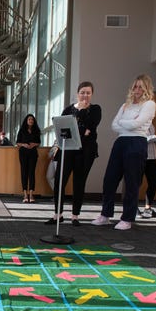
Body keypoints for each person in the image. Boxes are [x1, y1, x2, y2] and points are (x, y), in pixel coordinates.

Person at [91, 74, 156, 230]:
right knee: (110, 179)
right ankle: (105, 215)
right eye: (135, 86)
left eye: (141, 86)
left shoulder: (149, 104)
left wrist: (124, 122)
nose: (137, 89)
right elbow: (114, 125)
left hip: (137, 142)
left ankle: (127, 218)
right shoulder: (125, 105)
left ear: (146, 88)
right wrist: (128, 123)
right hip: (121, 142)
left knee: (132, 181)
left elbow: (138, 124)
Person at [45, 81, 101, 226]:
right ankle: (58, 214)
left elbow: (91, 128)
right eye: (82, 92)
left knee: (79, 183)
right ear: (77, 94)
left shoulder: (95, 109)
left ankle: (75, 216)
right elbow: (63, 129)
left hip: (85, 152)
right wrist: (82, 130)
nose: (85, 95)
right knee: (59, 181)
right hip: (67, 149)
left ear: (92, 94)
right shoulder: (68, 109)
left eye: (88, 93)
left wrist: (81, 114)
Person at [16, 114, 41, 203]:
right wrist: (24, 144)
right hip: (23, 153)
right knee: (24, 172)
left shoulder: (36, 130)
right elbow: (18, 142)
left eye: (32, 119)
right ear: (26, 120)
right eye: (29, 119)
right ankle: (25, 194)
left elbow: (38, 142)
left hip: (33, 153)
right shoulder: (22, 130)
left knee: (31, 173)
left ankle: (31, 194)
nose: (31, 121)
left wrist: (34, 144)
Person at [140, 122, 156, 218]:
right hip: (140, 157)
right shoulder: (138, 122)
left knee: (153, 182)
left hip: (152, 157)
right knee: (136, 183)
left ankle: (148, 207)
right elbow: (138, 139)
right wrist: (153, 138)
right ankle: (133, 207)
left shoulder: (152, 125)